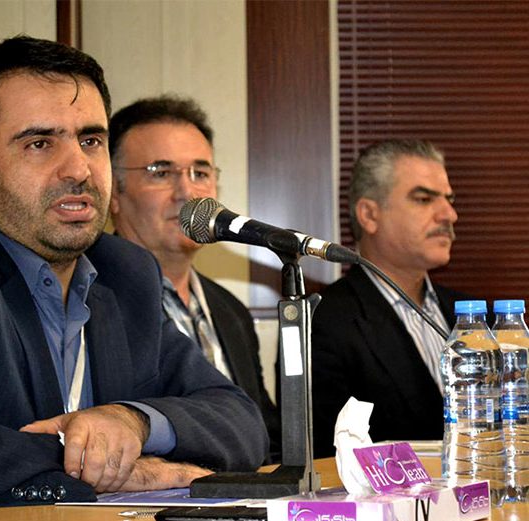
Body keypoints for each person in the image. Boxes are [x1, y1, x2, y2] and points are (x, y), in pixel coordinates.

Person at [0, 36, 268, 511]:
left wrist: (133, 422)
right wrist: (116, 467)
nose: (79, 169)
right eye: (40, 143)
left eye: (91, 141)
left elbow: (241, 422)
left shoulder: (124, 272)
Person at [108, 95, 280, 461]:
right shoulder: (90, 300)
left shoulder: (230, 311)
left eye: (200, 174)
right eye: (161, 172)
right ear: (113, 193)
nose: (187, 193)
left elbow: (266, 435)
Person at [311, 139, 467, 457]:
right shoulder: (324, 320)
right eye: (424, 199)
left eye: (449, 200)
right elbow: (328, 452)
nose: (449, 214)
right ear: (369, 215)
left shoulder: (474, 317)